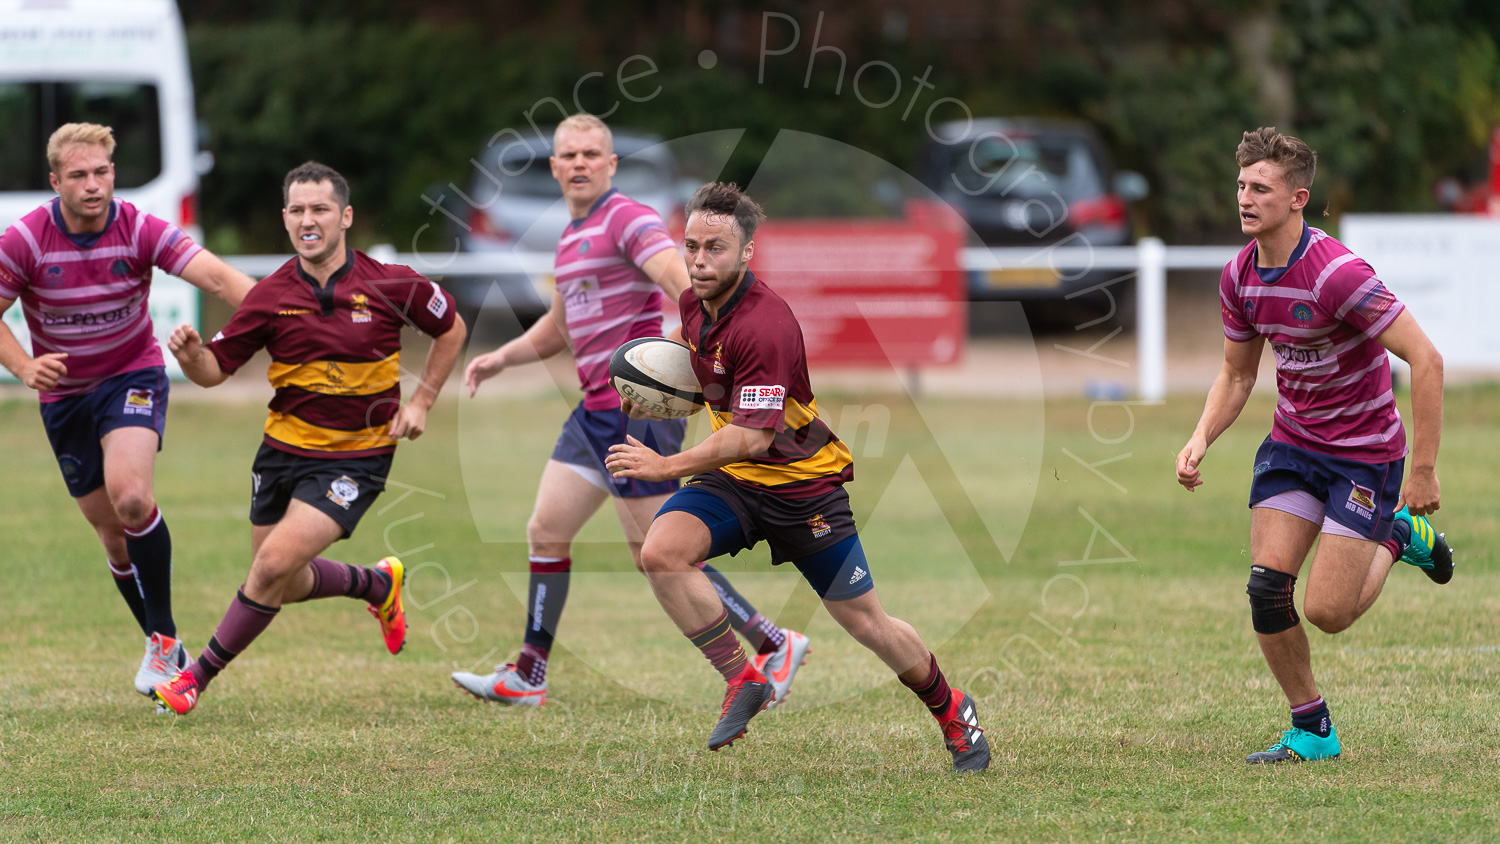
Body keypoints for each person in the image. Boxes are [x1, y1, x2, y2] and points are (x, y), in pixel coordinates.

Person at [605, 182, 990, 773]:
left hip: (801, 487)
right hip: (735, 481)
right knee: (661, 553)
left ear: (747, 252)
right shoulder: (693, 303)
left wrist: (667, 465)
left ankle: (951, 710)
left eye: (716, 248)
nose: (701, 261)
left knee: (868, 624)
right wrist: (663, 389)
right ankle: (743, 680)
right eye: (692, 247)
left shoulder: (767, 325)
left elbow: (754, 437)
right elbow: (696, 357)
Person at [455, 115, 810, 708]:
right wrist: (499, 359)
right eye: (568, 154)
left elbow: (685, 285)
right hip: (593, 411)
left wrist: (698, 359)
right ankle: (529, 676)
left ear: (611, 164)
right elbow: (557, 328)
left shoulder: (628, 219)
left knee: (658, 552)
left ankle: (774, 643)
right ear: (554, 166)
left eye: (592, 153)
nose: (579, 163)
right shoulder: (571, 237)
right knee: (547, 529)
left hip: (637, 411)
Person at [1175, 127, 1454, 764]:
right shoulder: (1239, 276)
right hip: (1294, 446)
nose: (1244, 197)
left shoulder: (1338, 275)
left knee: (1328, 611)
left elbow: (1427, 360)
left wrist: (1425, 471)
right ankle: (1312, 728)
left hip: (1364, 454)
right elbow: (1239, 374)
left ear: (1299, 198)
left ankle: (1397, 534)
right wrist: (1200, 438)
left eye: (1260, 188)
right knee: (1266, 589)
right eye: (1241, 184)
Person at [149, 161, 466, 715]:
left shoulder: (391, 283)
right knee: (283, 581)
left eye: (319, 208)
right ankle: (375, 585)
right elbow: (214, 371)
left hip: (357, 457)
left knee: (270, 567)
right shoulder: (269, 296)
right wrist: (191, 356)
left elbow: (451, 328)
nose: (307, 220)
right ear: (285, 219)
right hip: (281, 451)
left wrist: (421, 401)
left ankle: (194, 678)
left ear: (344, 217)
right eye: (296, 210)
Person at [0, 123, 256, 704]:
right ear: (55, 181)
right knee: (113, 537)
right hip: (64, 397)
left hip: (131, 376)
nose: (93, 186)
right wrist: (22, 367)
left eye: (103, 173)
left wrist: (290, 312)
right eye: (79, 175)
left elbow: (215, 275)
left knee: (132, 496)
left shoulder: (138, 226)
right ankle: (162, 644)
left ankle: (163, 642)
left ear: (114, 173)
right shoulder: (27, 239)